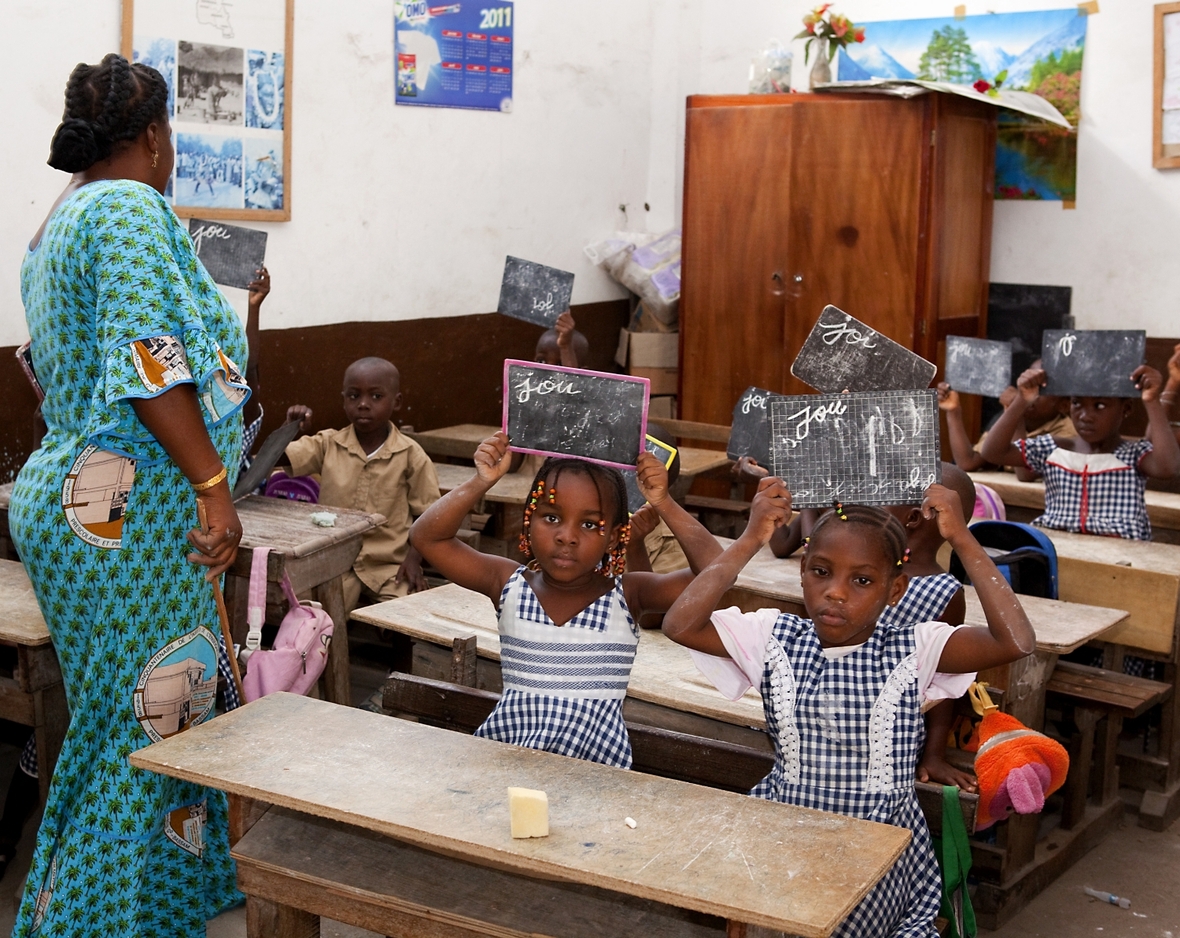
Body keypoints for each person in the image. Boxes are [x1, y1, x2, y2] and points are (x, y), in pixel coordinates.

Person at [10, 53, 246, 935]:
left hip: (86, 498)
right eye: (172, 137)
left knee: (154, 709)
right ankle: (95, 920)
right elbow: (150, 368)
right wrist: (213, 487)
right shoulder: (127, 207)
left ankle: (163, 903)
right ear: (153, 137)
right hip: (125, 507)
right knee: (141, 721)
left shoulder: (63, 219)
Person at [661, 481, 1035, 937]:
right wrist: (751, 538)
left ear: (894, 589)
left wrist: (961, 537)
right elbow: (680, 623)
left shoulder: (915, 649)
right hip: (786, 835)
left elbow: (1015, 641)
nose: (836, 592)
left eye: (861, 580)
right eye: (821, 571)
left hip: (877, 853)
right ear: (802, 572)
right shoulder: (773, 638)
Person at [410, 433, 721, 767]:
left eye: (590, 524)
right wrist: (482, 480)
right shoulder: (507, 583)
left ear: (614, 537)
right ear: (528, 520)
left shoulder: (628, 594)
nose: (567, 536)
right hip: (506, 765)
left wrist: (663, 501)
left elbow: (715, 570)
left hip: (593, 779)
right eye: (552, 517)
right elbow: (426, 537)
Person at [285, 357, 439, 611]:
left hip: (389, 567)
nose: (364, 405)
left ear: (396, 402)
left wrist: (414, 560)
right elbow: (280, 456)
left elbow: (430, 516)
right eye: (354, 396)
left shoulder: (412, 456)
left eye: (376, 397)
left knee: (409, 613)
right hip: (331, 564)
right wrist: (291, 428)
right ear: (344, 399)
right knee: (309, 617)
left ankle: (396, 648)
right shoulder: (328, 443)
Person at [979, 363, 1180, 540]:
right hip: (1060, 547)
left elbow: (1168, 467)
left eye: (1099, 406)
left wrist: (1152, 401)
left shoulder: (1133, 454)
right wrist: (1021, 400)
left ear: (1126, 409)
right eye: (1077, 404)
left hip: (1121, 556)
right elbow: (993, 452)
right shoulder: (1054, 448)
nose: (1086, 416)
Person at [938, 358, 1075, 479]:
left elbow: (1025, 474)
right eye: (1029, 384)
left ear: (1063, 405)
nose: (1032, 392)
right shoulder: (1010, 421)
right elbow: (968, 462)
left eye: (1042, 388)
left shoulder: (1068, 433)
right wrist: (953, 411)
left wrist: (1017, 410)